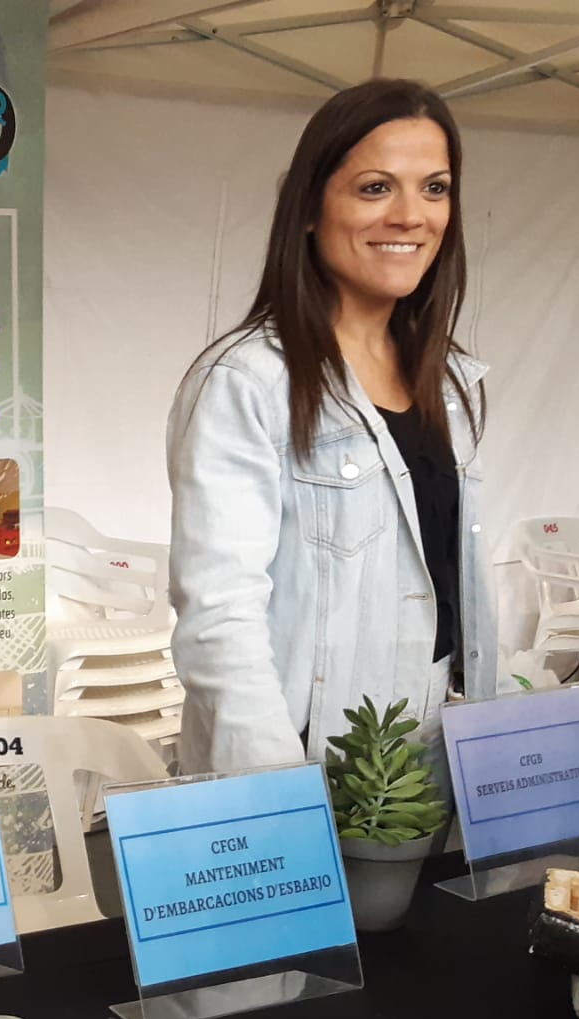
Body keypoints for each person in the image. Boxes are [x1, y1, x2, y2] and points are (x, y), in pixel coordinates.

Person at [169, 79, 493, 777]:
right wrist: (280, 799)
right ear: (312, 208)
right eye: (376, 188)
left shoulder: (448, 379)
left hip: (425, 765)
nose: (411, 216)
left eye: (435, 189)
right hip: (305, 766)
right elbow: (221, 618)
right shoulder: (249, 381)